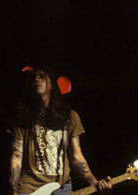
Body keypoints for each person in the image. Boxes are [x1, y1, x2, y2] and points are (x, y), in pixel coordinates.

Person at [9, 66, 112, 195]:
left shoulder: (69, 116)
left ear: (52, 84)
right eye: (33, 78)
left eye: (42, 76)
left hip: (62, 188)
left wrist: (94, 182)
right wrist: (13, 191)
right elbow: (16, 157)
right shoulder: (23, 117)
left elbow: (76, 157)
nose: (36, 79)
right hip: (28, 189)